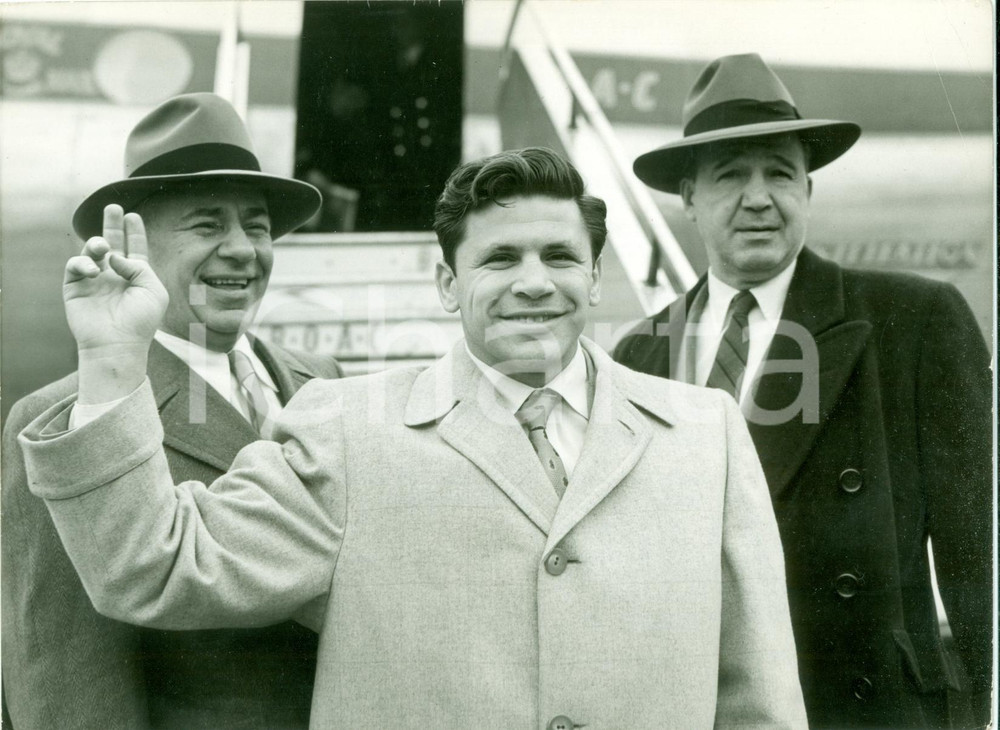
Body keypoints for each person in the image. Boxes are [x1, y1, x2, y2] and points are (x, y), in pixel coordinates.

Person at [18, 147, 808, 728]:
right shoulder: (346, 429)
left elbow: (760, 700)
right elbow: (152, 567)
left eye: (560, 256)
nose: (534, 281)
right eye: (499, 258)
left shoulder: (708, 435)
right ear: (446, 284)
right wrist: (113, 364)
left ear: (595, 279)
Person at [614, 54, 992, 729]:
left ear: (808, 193)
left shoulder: (914, 320)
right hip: (696, 704)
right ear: (690, 198)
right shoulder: (637, 354)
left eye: (781, 175)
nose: (759, 198)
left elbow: (977, 557)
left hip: (865, 706)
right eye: (731, 176)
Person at [2, 93, 343, 729]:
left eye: (259, 226)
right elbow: (64, 667)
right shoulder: (62, 420)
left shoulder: (319, 382)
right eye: (208, 225)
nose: (243, 250)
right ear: (136, 244)